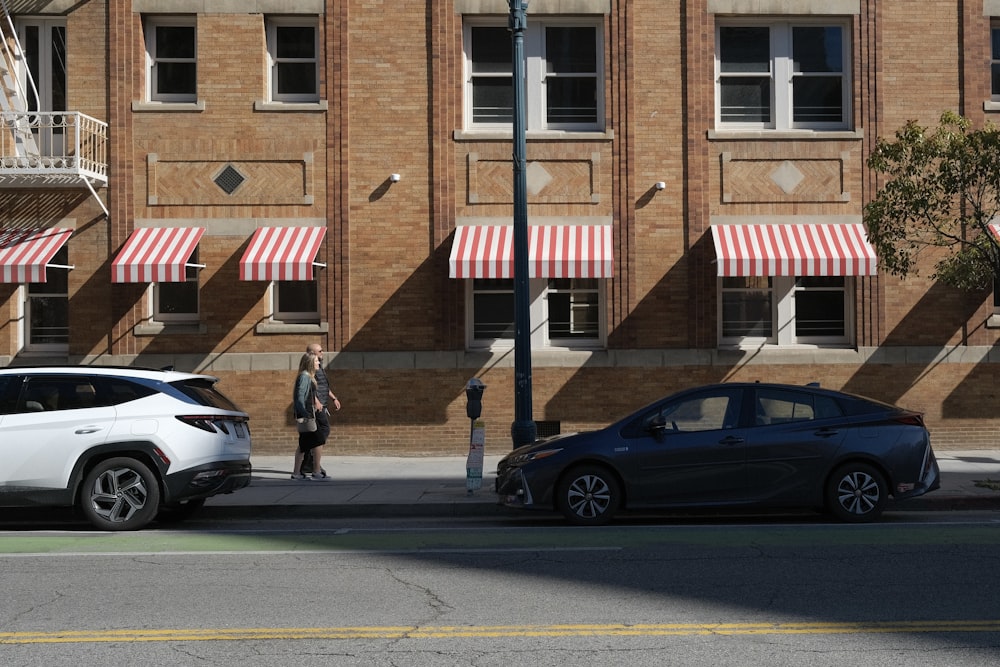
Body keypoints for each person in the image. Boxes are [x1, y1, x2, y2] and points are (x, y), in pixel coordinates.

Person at [300, 342, 341, 475]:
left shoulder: (319, 366)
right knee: (323, 430)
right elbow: (309, 387)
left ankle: (308, 461)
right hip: (316, 406)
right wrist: (316, 401)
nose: (322, 353)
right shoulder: (310, 368)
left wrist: (334, 398)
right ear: (312, 353)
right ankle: (311, 459)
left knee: (315, 433)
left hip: (322, 404)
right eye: (320, 351)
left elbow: (323, 386)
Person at [291, 352, 329, 480]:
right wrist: (304, 414)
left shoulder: (308, 377)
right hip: (308, 416)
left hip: (308, 414)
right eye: (316, 361)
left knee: (303, 445)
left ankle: (297, 473)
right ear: (310, 364)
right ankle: (316, 471)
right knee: (319, 440)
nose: (319, 363)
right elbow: (299, 398)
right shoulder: (304, 377)